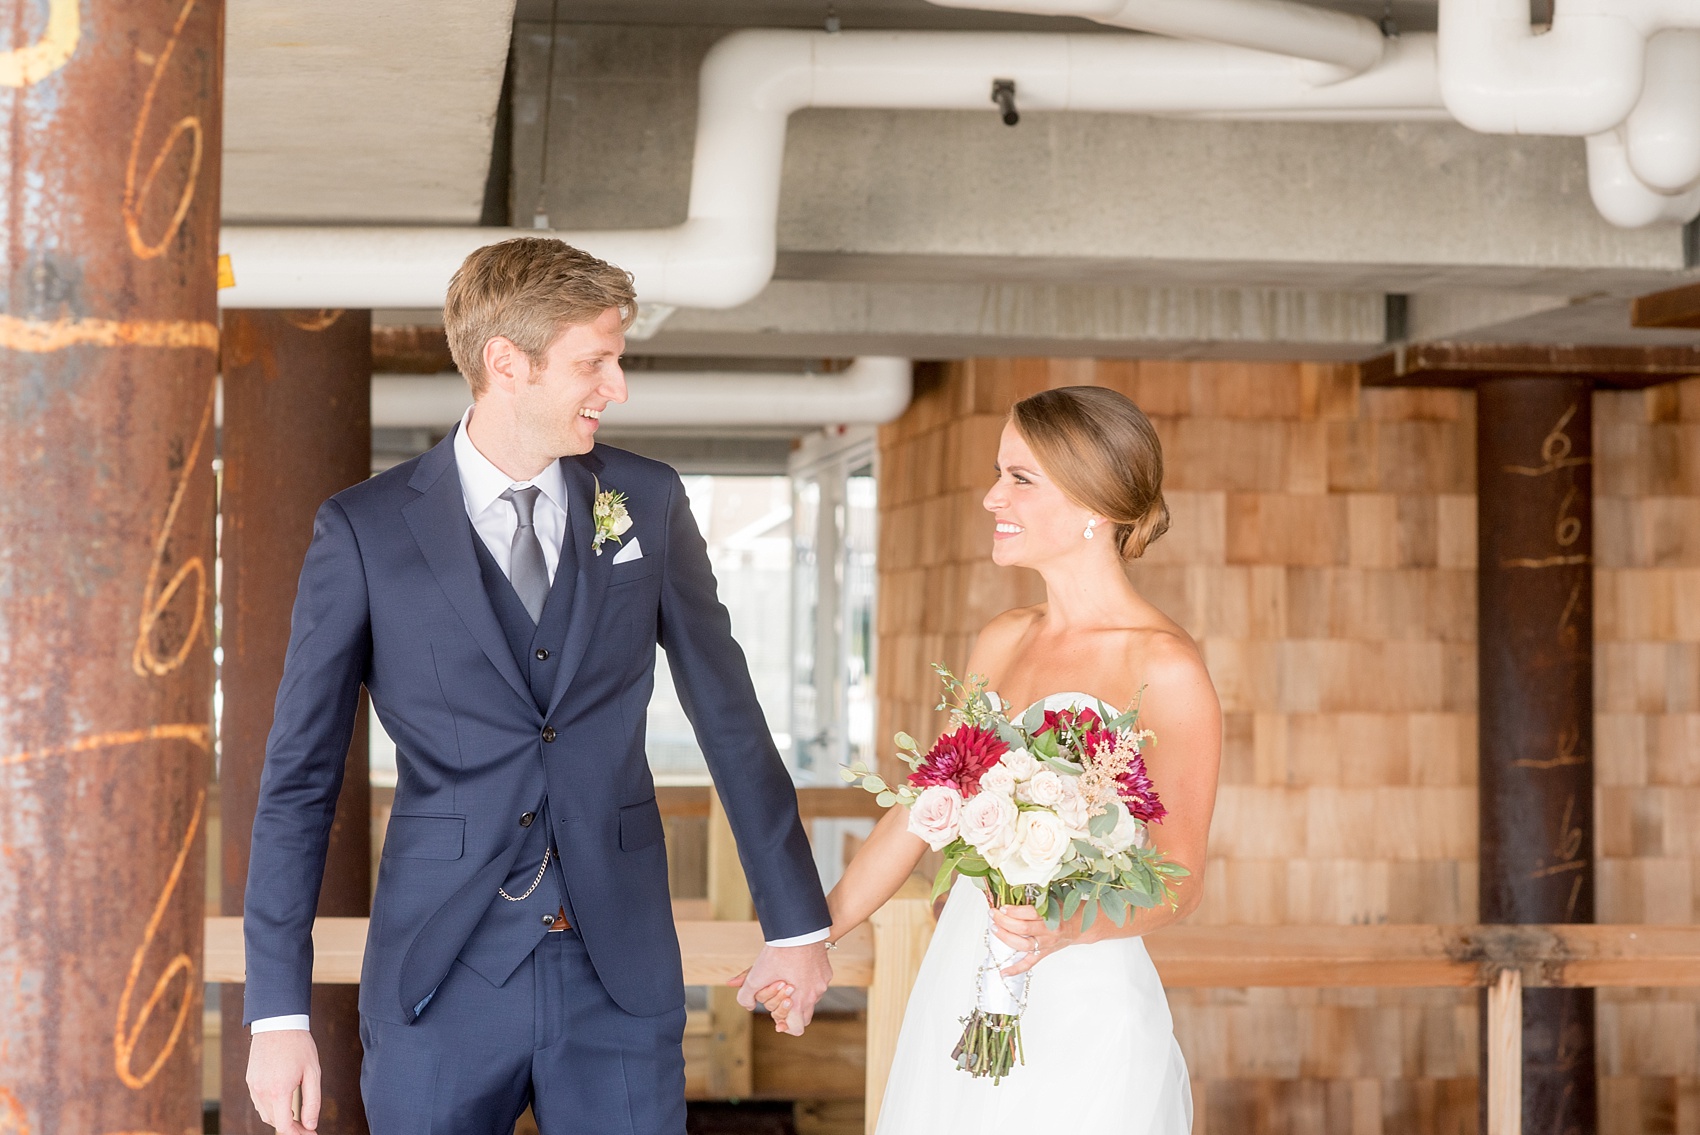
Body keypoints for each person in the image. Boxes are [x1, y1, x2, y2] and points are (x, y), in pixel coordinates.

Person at [242, 238, 832, 1135]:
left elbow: (731, 719)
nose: (618, 386)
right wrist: (277, 1011)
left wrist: (796, 924)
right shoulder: (363, 532)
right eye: (594, 361)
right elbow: (300, 781)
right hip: (439, 980)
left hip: (620, 977)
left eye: (618, 359)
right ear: (505, 363)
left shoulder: (648, 500)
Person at [746, 385, 1221, 1133]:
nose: (991, 495)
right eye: (999, 472)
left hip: (1083, 1001)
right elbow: (920, 811)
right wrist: (809, 939)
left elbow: (1182, 880)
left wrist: (1063, 928)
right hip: (959, 981)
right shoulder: (1001, 638)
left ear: (1093, 501)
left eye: (1020, 478)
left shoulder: (1165, 668)